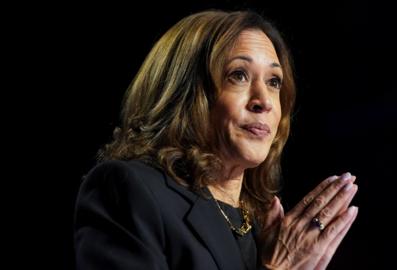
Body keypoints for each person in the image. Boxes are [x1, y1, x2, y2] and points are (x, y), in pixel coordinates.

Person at [74, 10, 359, 270]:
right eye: (239, 75)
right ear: (185, 93)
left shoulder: (268, 231)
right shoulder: (128, 190)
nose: (264, 101)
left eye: (274, 82)